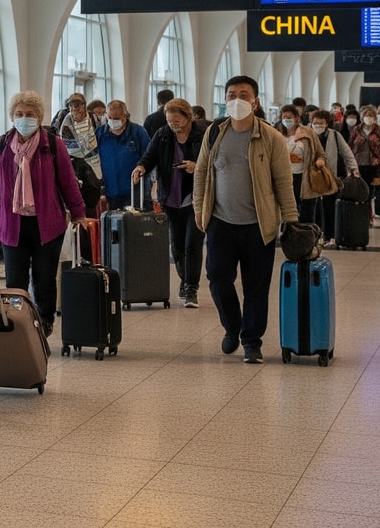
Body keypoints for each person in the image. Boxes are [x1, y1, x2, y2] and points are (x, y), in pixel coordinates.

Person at [193, 74, 297, 365]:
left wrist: (290, 219)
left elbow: (283, 182)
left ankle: (252, 342)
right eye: (231, 95)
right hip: (220, 222)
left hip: (258, 226)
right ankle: (232, 327)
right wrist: (199, 208)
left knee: (256, 287)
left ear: (256, 101)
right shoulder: (215, 133)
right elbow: (201, 172)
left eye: (243, 94)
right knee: (217, 278)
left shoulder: (271, 138)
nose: (236, 100)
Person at [0, 90, 86, 336]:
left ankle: (44, 320)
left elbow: (68, 182)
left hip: (48, 225)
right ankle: (18, 323)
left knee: (44, 280)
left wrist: (78, 213)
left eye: (30, 114)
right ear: (12, 117)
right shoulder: (0, 146)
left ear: (40, 117)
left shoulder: (53, 146)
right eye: (19, 114)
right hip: (12, 225)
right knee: (15, 281)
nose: (24, 118)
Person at [133, 98, 203, 307]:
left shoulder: (202, 135)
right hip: (170, 198)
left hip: (194, 198)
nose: (174, 125)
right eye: (170, 121)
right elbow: (149, 157)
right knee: (177, 246)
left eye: (177, 120)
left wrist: (196, 166)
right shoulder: (163, 135)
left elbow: (211, 161)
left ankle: (191, 287)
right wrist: (141, 168)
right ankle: (184, 279)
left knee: (193, 244)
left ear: (188, 117)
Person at [309, 109, 354, 247]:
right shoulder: (307, 134)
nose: (317, 126)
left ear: (327, 123)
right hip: (311, 178)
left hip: (329, 176)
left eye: (320, 123)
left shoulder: (334, 135)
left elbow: (346, 152)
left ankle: (330, 236)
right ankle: (315, 236)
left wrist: (354, 169)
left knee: (329, 207)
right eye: (315, 123)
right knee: (313, 208)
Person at [95, 100, 150, 210]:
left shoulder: (139, 132)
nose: (112, 121)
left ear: (125, 116)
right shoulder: (100, 134)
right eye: (109, 118)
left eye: (116, 118)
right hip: (110, 191)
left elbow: (149, 158)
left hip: (135, 192)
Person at [55, 93, 104, 213]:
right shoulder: (64, 119)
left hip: (92, 165)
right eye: (70, 106)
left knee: (91, 200)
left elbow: (101, 139)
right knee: (72, 197)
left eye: (76, 105)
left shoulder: (95, 120)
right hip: (71, 164)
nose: (73, 109)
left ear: (84, 105)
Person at [349, 105, 380, 218]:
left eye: (371, 115)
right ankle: (360, 215)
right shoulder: (356, 129)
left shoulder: (379, 130)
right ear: (362, 117)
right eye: (367, 115)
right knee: (359, 191)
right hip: (358, 164)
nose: (369, 117)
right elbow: (350, 145)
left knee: (370, 192)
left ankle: (369, 215)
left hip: (373, 164)